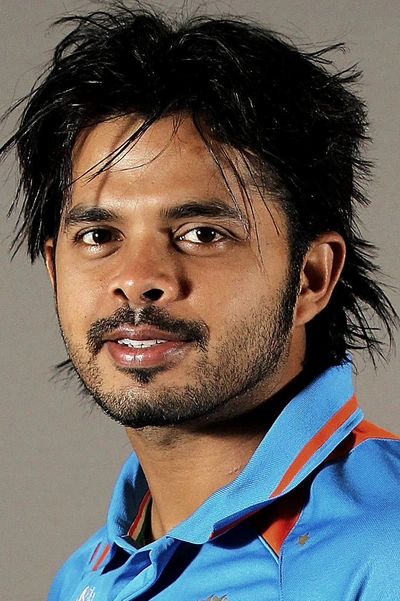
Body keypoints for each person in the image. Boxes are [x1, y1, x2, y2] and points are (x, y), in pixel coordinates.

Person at [2, 3, 400, 600]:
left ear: (311, 278)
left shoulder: (387, 549)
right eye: (99, 236)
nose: (137, 279)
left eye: (203, 234)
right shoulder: (83, 579)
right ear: (55, 268)